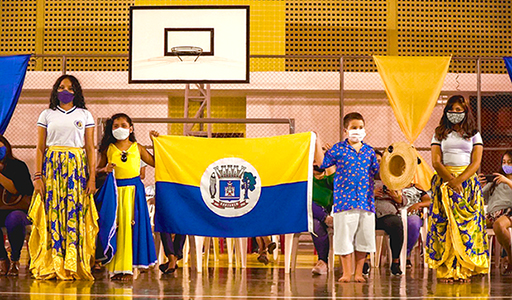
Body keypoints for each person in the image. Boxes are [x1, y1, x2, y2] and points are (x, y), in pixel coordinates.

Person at [29, 74, 98, 280]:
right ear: (55, 91)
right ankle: (52, 261)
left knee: (74, 212)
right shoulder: (47, 114)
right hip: (52, 168)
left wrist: (92, 177)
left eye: (70, 87)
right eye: (61, 87)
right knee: (52, 212)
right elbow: (40, 148)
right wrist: (38, 176)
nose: (65, 91)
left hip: (76, 169)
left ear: (76, 92)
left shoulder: (85, 115)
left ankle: (73, 262)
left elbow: (90, 148)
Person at [427, 95, 488, 282]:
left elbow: (476, 162)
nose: (455, 113)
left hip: (467, 183)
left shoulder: (474, 134)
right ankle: (446, 270)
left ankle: (464, 269)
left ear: (466, 112)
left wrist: (460, 180)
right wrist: (451, 181)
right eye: (451, 110)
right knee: (446, 225)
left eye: (459, 110)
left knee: (466, 228)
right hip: (444, 183)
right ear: (446, 112)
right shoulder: (439, 133)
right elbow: (436, 162)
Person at [315, 112, 379, 283]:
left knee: (363, 239)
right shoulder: (338, 149)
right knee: (344, 238)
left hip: (366, 203)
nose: (357, 131)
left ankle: (359, 273)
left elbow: (378, 172)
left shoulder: (370, 152)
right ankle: (346, 273)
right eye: (353, 128)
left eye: (360, 128)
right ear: (345, 130)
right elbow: (322, 164)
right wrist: (316, 143)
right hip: (344, 202)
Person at [96, 113, 157, 281]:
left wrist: (155, 142)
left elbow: (156, 162)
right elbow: (97, 170)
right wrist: (105, 169)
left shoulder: (138, 148)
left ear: (131, 129)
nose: (120, 128)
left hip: (134, 194)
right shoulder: (108, 149)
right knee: (116, 227)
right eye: (116, 126)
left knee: (132, 227)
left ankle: (128, 269)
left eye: (123, 125)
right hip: (115, 192)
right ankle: (116, 268)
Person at [0, 135, 34, 276]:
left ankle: (15, 258)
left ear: (6, 147)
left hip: (16, 209)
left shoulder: (17, 166)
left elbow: (17, 190)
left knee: (14, 219)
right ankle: (2, 260)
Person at [478, 149, 512, 275]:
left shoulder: (506, 181)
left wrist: (507, 181)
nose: (506, 165)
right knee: (472, 223)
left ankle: (510, 258)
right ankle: (475, 262)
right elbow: (479, 197)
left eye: (510, 162)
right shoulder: (495, 181)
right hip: (492, 214)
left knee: (499, 224)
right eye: (504, 162)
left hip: (508, 212)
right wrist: (477, 186)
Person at [373, 150, 404, 276]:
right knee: (362, 221)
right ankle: (364, 262)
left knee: (396, 222)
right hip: (369, 212)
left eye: (379, 161)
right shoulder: (362, 178)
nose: (377, 164)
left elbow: (403, 200)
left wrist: (395, 196)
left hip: (387, 214)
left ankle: (395, 262)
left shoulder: (392, 179)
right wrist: (371, 193)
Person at [310, 163, 335, 275]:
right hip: (308, 215)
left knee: (316, 224)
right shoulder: (306, 179)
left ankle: (322, 261)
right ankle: (322, 261)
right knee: (308, 204)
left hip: (329, 214)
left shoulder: (330, 180)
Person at [402, 182, 431, 268]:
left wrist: (419, 204)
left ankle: (406, 254)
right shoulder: (390, 185)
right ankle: (397, 256)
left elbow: (429, 201)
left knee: (414, 223)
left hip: (412, 214)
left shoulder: (416, 187)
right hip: (395, 213)